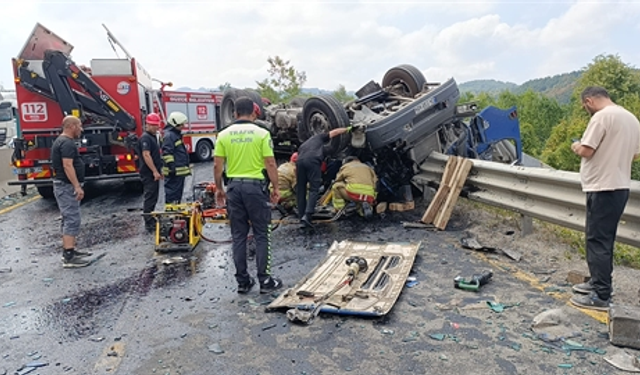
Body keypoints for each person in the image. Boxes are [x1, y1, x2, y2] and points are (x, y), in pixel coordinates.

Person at [569, 86, 640, 311]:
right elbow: (636, 154)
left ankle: (601, 295)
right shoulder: (630, 118)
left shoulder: (602, 117)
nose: (586, 109)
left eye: (584, 106)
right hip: (619, 186)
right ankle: (597, 282)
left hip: (602, 186)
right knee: (604, 239)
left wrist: (575, 145)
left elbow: (587, 150)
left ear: (589, 100)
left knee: (597, 240)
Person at [213, 97, 283, 294]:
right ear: (253, 114)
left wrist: (219, 189)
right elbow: (270, 163)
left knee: (238, 236)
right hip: (255, 189)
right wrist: (276, 187)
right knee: (261, 234)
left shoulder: (223, 135)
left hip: (234, 188)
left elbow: (217, 165)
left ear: (235, 113)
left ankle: (243, 282)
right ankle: (265, 280)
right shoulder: (262, 134)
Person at [51, 115, 92, 268]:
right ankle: (69, 256)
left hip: (64, 185)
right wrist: (76, 186)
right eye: (79, 126)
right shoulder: (66, 143)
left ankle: (71, 249)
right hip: (66, 186)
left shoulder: (62, 142)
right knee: (72, 219)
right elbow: (68, 166)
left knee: (68, 218)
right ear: (72, 126)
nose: (81, 129)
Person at [296, 126, 353, 228]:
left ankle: (301, 216)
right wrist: (348, 129)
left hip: (299, 161)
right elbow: (334, 132)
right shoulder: (319, 137)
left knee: (301, 188)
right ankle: (308, 215)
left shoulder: (304, 145)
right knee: (314, 189)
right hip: (313, 161)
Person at [139, 113, 164, 232]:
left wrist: (159, 170)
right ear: (147, 125)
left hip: (153, 172)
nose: (156, 128)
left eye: (157, 125)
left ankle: (150, 218)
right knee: (150, 196)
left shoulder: (153, 137)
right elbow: (146, 155)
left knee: (154, 196)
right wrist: (154, 171)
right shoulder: (145, 138)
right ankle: (148, 222)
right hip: (148, 173)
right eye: (154, 125)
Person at [161, 111, 191, 204]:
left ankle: (175, 213)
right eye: (181, 124)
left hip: (177, 173)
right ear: (175, 124)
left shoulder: (173, 135)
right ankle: (171, 214)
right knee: (172, 196)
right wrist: (171, 167)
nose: (183, 127)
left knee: (176, 196)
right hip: (174, 173)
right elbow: (167, 153)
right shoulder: (170, 136)